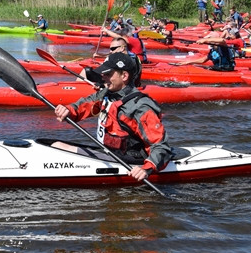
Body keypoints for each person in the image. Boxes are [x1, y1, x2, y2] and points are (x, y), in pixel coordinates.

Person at [53, 54, 172, 182]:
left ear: (124, 76)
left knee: (58, 146)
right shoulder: (107, 94)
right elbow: (84, 105)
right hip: (110, 152)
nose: (103, 77)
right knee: (54, 145)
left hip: (132, 161)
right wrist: (68, 110)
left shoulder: (141, 107)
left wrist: (146, 169)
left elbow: (161, 146)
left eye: (108, 74)